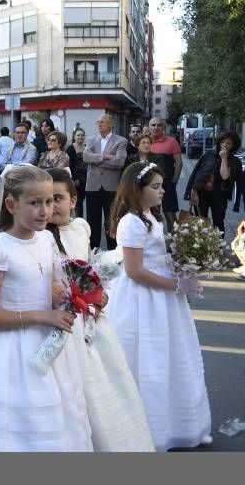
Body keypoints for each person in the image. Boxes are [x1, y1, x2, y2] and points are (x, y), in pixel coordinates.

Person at [0, 165, 92, 452]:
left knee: (50, 419)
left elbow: (48, 286)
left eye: (49, 202)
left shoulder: (47, 239)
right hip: (8, 349)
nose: (45, 211)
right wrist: (41, 315)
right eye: (35, 203)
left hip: (46, 345)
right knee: (11, 424)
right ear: (11, 204)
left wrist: (67, 297)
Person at [45, 168, 154, 452]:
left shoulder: (81, 227)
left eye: (57, 198)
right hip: (62, 318)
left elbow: (88, 264)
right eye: (44, 199)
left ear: (73, 200)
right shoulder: (41, 238)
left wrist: (98, 292)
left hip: (90, 315)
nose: (50, 206)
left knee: (104, 379)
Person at [107, 162, 212, 451]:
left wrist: (182, 266)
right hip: (144, 298)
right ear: (137, 190)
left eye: (161, 185)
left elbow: (157, 257)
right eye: (155, 186)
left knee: (171, 354)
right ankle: (148, 426)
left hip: (161, 293)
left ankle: (177, 422)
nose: (162, 190)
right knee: (147, 358)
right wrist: (177, 285)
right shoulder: (131, 222)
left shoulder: (151, 217)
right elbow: (134, 270)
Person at [184, 131, 243, 232]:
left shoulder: (234, 161)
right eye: (223, 142)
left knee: (218, 223)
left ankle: (218, 247)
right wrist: (194, 192)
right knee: (200, 223)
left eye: (228, 143)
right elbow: (197, 175)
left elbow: (225, 177)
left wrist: (224, 158)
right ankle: (201, 246)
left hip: (220, 195)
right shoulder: (209, 154)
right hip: (202, 193)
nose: (225, 145)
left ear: (233, 145)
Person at [83, 114, 127, 249]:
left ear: (110, 124)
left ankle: (113, 252)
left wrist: (96, 161)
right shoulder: (91, 140)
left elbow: (119, 162)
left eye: (102, 122)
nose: (99, 124)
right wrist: (106, 157)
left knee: (111, 221)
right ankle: (94, 251)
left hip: (111, 187)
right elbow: (85, 157)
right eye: (97, 122)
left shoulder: (121, 141)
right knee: (92, 221)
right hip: (92, 186)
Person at [148, 117, 182, 233]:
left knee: (170, 215)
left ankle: (176, 245)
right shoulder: (146, 142)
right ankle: (154, 244)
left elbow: (178, 162)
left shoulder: (172, 142)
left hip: (167, 184)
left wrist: (174, 181)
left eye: (159, 125)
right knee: (152, 215)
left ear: (163, 127)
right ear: (149, 127)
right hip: (149, 185)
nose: (155, 127)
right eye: (153, 125)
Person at [66, 127, 88, 218]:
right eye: (78, 135)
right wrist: (74, 179)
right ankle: (78, 221)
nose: (80, 137)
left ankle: (82, 222)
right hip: (76, 180)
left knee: (84, 202)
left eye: (82, 135)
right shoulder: (70, 149)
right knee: (77, 203)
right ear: (74, 137)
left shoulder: (87, 148)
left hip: (87, 179)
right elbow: (69, 165)